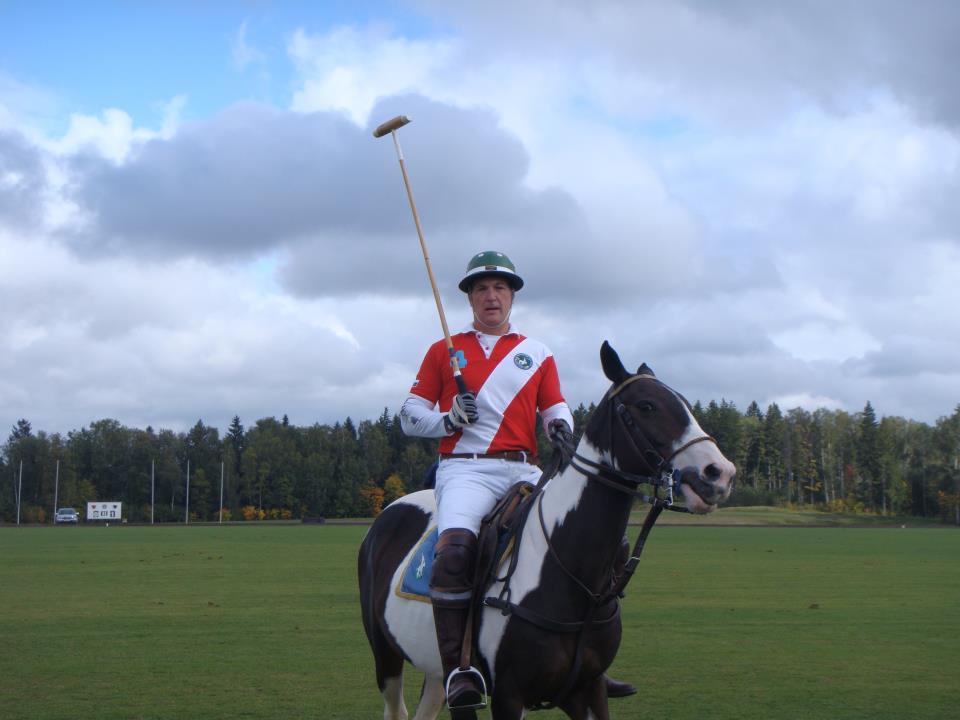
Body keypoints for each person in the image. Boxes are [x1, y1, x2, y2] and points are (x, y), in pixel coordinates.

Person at [400, 250, 635, 710]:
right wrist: (448, 420)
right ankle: (460, 670)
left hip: (525, 469)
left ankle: (588, 661)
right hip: (466, 469)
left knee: (591, 541)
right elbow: (410, 415)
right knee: (455, 553)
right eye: (482, 288)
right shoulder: (444, 349)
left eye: (500, 288)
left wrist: (560, 426)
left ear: (512, 296)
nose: (492, 296)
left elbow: (555, 406)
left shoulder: (537, 353)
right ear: (470, 297)